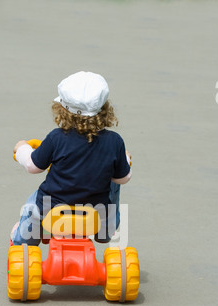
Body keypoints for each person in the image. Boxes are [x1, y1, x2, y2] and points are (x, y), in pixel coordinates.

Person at [11, 71, 132, 246]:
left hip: (52, 209)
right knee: (113, 182)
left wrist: (22, 148)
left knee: (33, 205)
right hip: (95, 212)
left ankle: (23, 241)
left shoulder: (56, 138)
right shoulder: (115, 142)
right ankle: (106, 229)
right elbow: (123, 178)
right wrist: (125, 159)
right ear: (105, 109)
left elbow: (32, 166)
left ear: (62, 109)